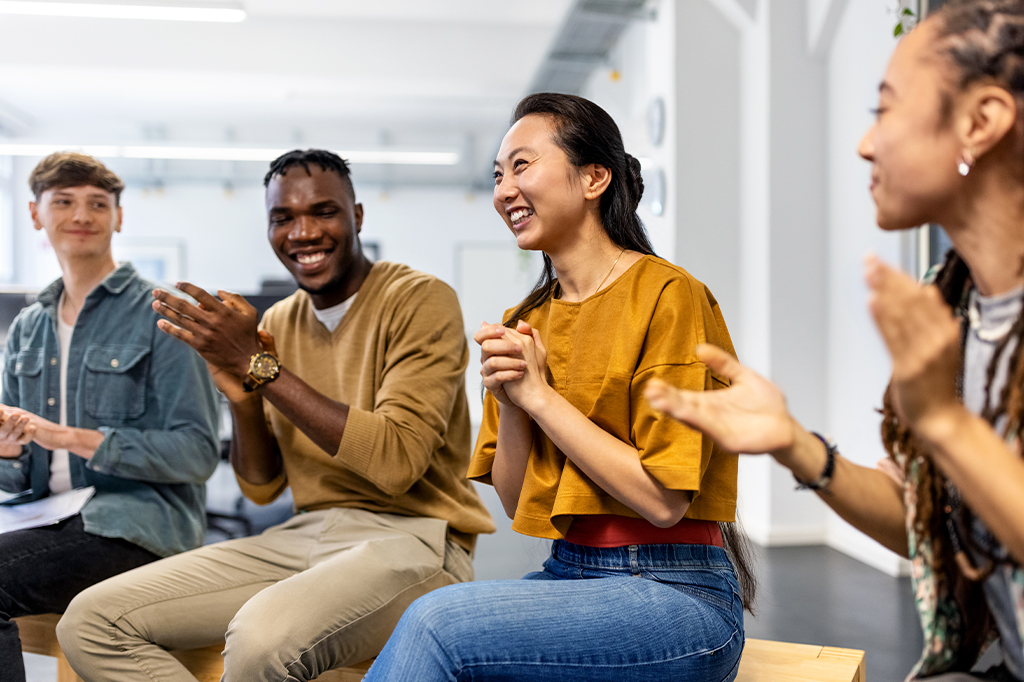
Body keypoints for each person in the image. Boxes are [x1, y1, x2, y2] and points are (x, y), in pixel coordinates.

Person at [645, 2, 1024, 680]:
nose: (864, 144)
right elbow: (923, 523)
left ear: (981, 121)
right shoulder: (953, 302)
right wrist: (797, 445)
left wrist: (941, 420)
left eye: (885, 109)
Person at [57, 149, 495, 682]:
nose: (302, 232)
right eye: (283, 217)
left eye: (323, 212)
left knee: (262, 640)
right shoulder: (280, 322)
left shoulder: (418, 298)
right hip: (304, 535)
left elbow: (396, 462)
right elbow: (262, 488)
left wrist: (258, 366)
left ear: (356, 216)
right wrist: (241, 397)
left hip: (416, 538)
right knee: (91, 620)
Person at [362, 94, 756, 682]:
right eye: (497, 175)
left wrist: (542, 397)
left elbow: (663, 501)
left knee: (437, 624)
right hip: (571, 570)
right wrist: (513, 406)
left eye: (521, 166)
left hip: (677, 591)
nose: (503, 190)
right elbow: (522, 507)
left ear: (594, 177)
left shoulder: (670, 297)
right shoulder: (527, 318)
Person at [0, 152, 220, 682]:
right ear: (35, 214)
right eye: (64, 202)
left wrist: (71, 438)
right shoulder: (27, 328)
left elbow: (197, 453)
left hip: (133, 528)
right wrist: (9, 452)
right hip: (44, 519)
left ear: (118, 217)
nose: (82, 215)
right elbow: (14, 476)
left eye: (98, 204)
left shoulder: (162, 316)